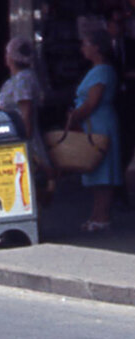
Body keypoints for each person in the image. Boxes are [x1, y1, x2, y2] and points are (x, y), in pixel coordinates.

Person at [64, 27, 121, 233]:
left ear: (97, 47)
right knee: (95, 170)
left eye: (86, 44)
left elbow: (92, 103)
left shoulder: (103, 70)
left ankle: (103, 216)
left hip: (98, 122)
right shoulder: (96, 69)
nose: (83, 48)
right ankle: (96, 214)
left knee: (103, 170)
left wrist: (73, 118)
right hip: (92, 122)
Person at [0, 35, 52, 203]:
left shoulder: (23, 79)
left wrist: (24, 142)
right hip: (15, 135)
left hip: (22, 137)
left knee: (29, 179)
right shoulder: (20, 78)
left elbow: (25, 112)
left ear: (11, 57)